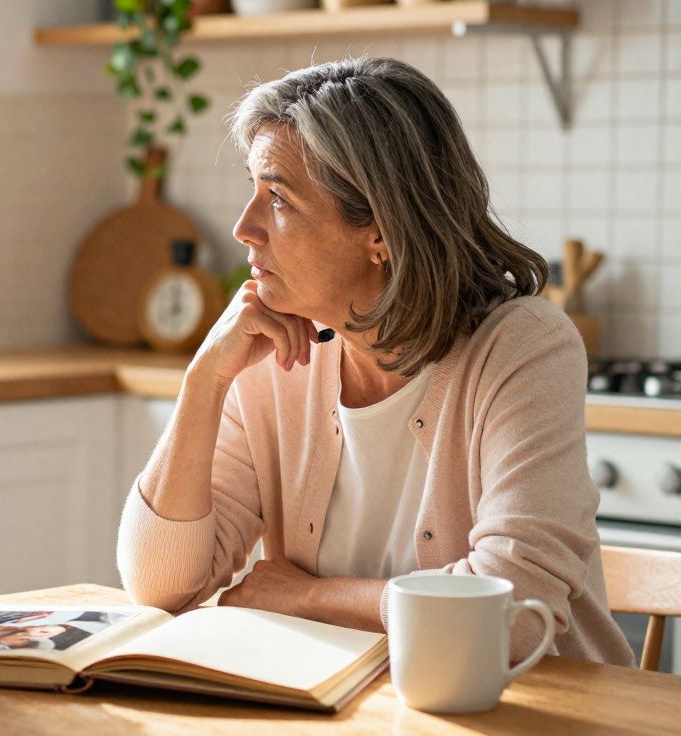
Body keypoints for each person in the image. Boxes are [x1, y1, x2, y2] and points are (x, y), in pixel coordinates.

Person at [116, 57, 633, 666]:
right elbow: (160, 585)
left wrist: (309, 597)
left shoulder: (522, 348)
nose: (243, 228)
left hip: (539, 714)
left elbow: (513, 616)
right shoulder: (272, 357)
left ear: (381, 231)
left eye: (277, 198)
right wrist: (204, 381)